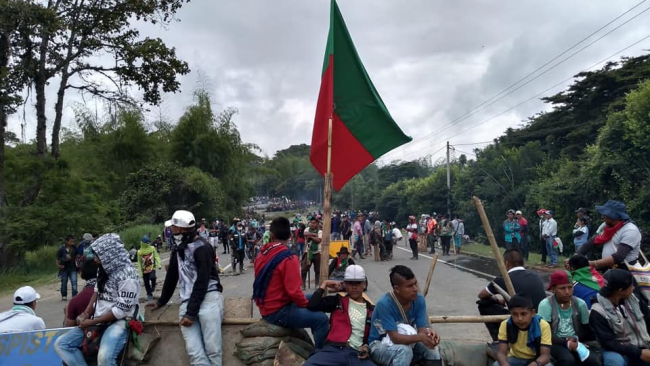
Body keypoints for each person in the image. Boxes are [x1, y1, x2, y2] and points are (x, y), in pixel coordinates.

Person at [148, 210, 224, 366]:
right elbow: (172, 277)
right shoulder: (180, 249)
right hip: (187, 302)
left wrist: (191, 312)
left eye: (172, 228)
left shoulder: (202, 247)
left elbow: (202, 281)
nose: (170, 231)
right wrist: (161, 301)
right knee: (195, 353)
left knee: (213, 351)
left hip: (208, 299)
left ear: (179, 229)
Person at [54, 233, 141, 366]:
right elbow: (96, 290)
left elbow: (120, 311)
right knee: (62, 344)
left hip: (119, 321)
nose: (95, 259)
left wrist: (91, 322)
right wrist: (86, 313)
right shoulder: (104, 269)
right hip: (98, 318)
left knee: (105, 358)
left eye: (97, 255)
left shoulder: (128, 277)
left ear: (109, 254)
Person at [254, 216, 329, 349]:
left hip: (268, 305)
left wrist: (312, 302)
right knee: (321, 319)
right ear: (289, 235)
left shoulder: (262, 253)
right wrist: (309, 305)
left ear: (271, 235)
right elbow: (294, 292)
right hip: (277, 311)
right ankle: (320, 355)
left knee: (319, 299)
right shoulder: (288, 257)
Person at [368, 265, 441, 366]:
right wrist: (421, 337)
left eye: (415, 283)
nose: (415, 289)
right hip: (379, 344)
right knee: (404, 351)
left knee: (432, 349)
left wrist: (429, 335)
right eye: (409, 286)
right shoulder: (384, 304)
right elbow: (395, 338)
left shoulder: (419, 299)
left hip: (407, 339)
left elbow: (421, 331)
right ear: (397, 289)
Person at [305, 265, 376, 366]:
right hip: (333, 350)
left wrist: (367, 347)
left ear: (364, 285)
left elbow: (375, 337)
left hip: (356, 355)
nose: (354, 287)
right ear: (345, 284)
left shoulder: (372, 309)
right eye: (350, 283)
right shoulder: (338, 300)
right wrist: (324, 284)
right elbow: (313, 305)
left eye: (358, 283)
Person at [478, 249, 547, 341]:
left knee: (483, 304)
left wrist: (496, 300)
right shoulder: (536, 276)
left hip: (522, 319)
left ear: (506, 264)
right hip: (540, 320)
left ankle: (498, 339)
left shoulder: (503, 279)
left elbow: (481, 295)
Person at [537, 271, 601, 366]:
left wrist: (575, 339)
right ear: (554, 289)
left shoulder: (580, 304)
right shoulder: (546, 305)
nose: (567, 292)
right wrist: (567, 343)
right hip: (553, 342)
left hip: (576, 340)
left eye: (570, 287)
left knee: (593, 361)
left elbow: (587, 329)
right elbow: (546, 333)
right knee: (567, 360)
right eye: (562, 288)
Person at [590, 269, 650, 366]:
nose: (633, 288)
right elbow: (608, 342)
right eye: (630, 286)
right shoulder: (598, 311)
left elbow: (648, 320)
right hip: (617, 350)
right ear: (620, 290)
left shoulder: (635, 300)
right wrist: (639, 353)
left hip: (643, 344)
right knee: (614, 362)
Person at [577, 200, 642, 271]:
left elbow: (619, 257)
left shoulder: (630, 230)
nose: (602, 217)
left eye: (604, 214)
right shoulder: (605, 226)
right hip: (608, 269)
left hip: (625, 270)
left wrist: (592, 263)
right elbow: (591, 243)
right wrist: (575, 258)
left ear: (613, 216)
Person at [495, 295, 552, 366]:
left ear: (533, 313)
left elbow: (545, 356)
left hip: (536, 359)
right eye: (515, 314)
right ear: (511, 314)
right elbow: (501, 353)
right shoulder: (506, 324)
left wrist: (535, 364)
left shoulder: (543, 325)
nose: (519, 319)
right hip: (515, 358)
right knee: (497, 365)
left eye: (523, 314)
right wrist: (505, 364)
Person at [64, 260, 98, 327]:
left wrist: (66, 313)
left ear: (82, 274)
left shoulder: (76, 300)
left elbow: (68, 329)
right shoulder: (110, 289)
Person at [137, 235, 162, 301]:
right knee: (146, 283)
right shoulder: (139, 252)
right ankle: (149, 294)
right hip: (144, 270)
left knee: (152, 277)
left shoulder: (152, 248)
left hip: (152, 267)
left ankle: (153, 286)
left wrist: (159, 264)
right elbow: (139, 262)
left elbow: (156, 256)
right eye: (147, 243)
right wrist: (140, 272)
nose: (149, 244)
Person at [302, 217, 324, 288]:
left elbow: (318, 240)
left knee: (317, 270)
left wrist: (311, 237)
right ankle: (303, 284)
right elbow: (305, 234)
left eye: (314, 223)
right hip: (308, 252)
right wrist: (314, 235)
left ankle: (317, 284)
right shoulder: (307, 229)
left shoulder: (320, 231)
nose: (312, 224)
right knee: (304, 269)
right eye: (311, 223)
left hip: (317, 253)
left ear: (317, 224)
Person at [56, 235, 78, 301]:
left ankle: (74, 295)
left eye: (73, 241)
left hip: (73, 267)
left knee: (74, 281)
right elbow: (57, 257)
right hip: (64, 267)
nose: (72, 243)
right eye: (71, 241)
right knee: (64, 282)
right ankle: (64, 295)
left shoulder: (74, 248)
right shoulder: (62, 249)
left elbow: (78, 255)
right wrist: (58, 265)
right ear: (66, 241)